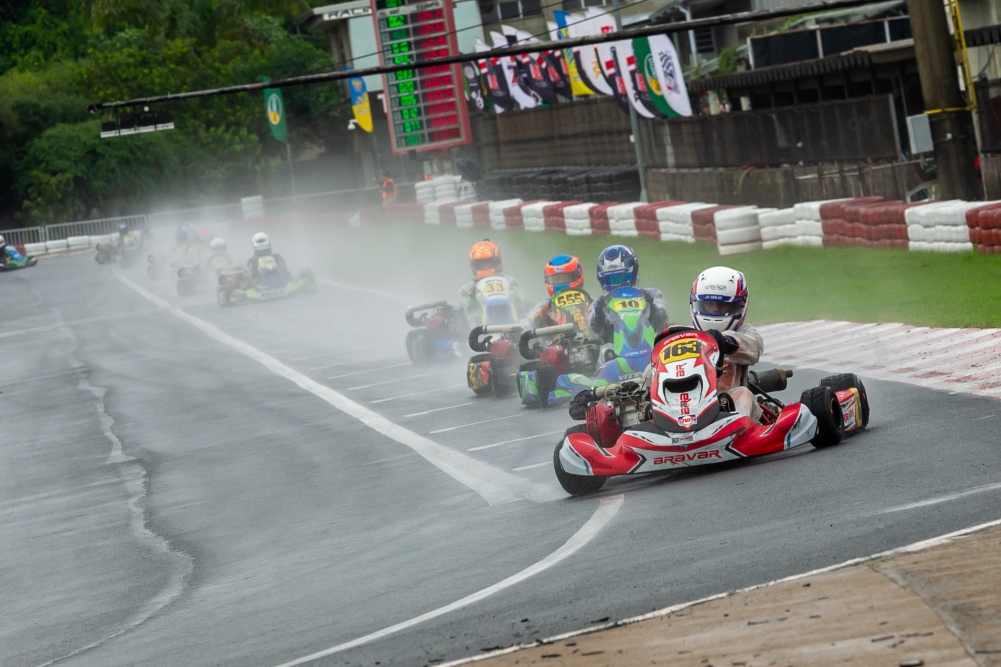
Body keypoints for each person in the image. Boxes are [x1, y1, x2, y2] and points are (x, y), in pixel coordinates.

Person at [689, 266, 763, 420]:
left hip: (726, 403)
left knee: (744, 395)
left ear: (739, 304)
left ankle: (737, 431)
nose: (715, 310)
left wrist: (726, 342)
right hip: (685, 403)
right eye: (709, 303)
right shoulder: (684, 335)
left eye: (722, 304)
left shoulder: (744, 333)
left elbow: (754, 349)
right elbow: (651, 372)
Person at [587, 245, 668, 344]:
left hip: (651, 345)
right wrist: (599, 314)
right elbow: (593, 328)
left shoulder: (652, 294)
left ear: (634, 274)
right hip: (612, 352)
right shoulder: (598, 304)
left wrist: (650, 305)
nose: (617, 285)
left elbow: (662, 318)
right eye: (610, 280)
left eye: (622, 277)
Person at [458, 240, 525, 325]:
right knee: (471, 316)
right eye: (481, 264)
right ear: (474, 266)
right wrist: (473, 297)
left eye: (489, 263)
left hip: (513, 325)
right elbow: (466, 312)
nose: (486, 267)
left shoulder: (511, 282)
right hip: (480, 331)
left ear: (497, 262)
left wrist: (511, 293)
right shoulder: (466, 291)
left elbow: (521, 304)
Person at [529, 254, 591, 329]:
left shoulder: (592, 302)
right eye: (557, 280)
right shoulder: (544, 307)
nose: (561, 283)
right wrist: (540, 317)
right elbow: (530, 321)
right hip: (553, 339)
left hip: (592, 338)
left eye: (566, 278)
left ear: (578, 275)